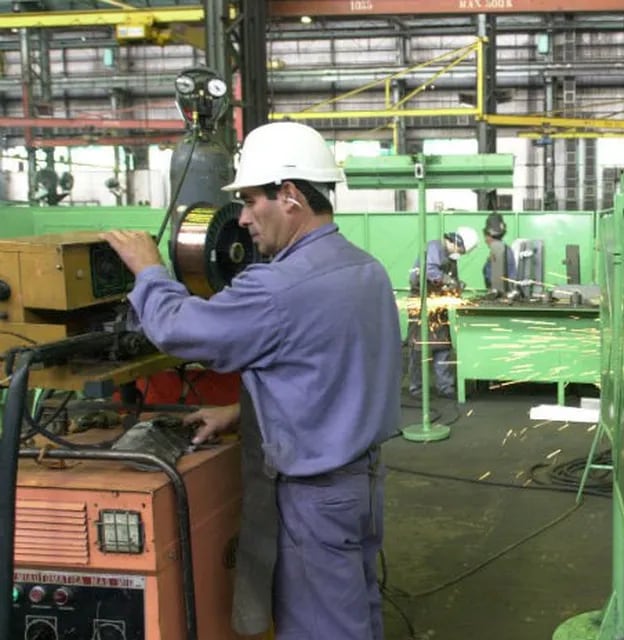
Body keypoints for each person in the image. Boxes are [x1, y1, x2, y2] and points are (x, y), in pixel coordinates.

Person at [102, 121, 401, 640]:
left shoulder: (277, 286)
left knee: (320, 629)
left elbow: (179, 330)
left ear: (288, 196)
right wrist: (245, 410)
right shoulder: (365, 269)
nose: (241, 220)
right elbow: (330, 371)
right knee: (356, 610)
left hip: (315, 497)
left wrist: (149, 271)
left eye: (249, 200)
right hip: (361, 485)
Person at [406, 226, 478, 399]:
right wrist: (449, 281)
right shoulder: (434, 248)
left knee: (443, 346)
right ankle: (416, 388)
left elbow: (453, 278)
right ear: (455, 242)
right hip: (422, 303)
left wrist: (458, 287)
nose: (460, 254)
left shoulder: (451, 257)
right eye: (460, 250)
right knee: (419, 348)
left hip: (438, 304)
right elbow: (430, 271)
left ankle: (445, 386)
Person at [482, 212, 517, 298]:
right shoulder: (506, 249)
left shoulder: (498, 250)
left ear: (489, 236)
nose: (485, 240)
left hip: (501, 298)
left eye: (486, 236)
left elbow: (496, 283)